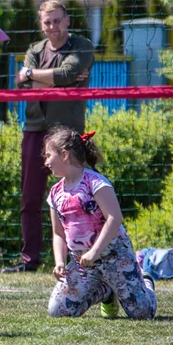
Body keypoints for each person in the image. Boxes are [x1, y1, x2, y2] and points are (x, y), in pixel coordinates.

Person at [7, 0, 95, 273]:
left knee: (80, 197)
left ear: (67, 20)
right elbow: (29, 81)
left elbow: (67, 74)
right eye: (47, 22)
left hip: (67, 133)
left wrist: (33, 74)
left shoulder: (82, 45)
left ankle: (85, 256)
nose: (52, 27)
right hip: (34, 129)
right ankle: (30, 261)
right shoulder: (35, 49)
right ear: (41, 24)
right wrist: (53, 77)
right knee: (30, 198)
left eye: (57, 21)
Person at [44, 127, 157, 319]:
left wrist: (94, 252)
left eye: (48, 155)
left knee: (142, 314)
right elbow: (58, 234)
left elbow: (114, 218)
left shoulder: (95, 183)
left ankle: (145, 281)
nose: (46, 162)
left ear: (64, 155)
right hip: (83, 263)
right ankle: (106, 292)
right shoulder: (55, 193)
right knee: (58, 312)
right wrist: (60, 262)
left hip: (115, 255)